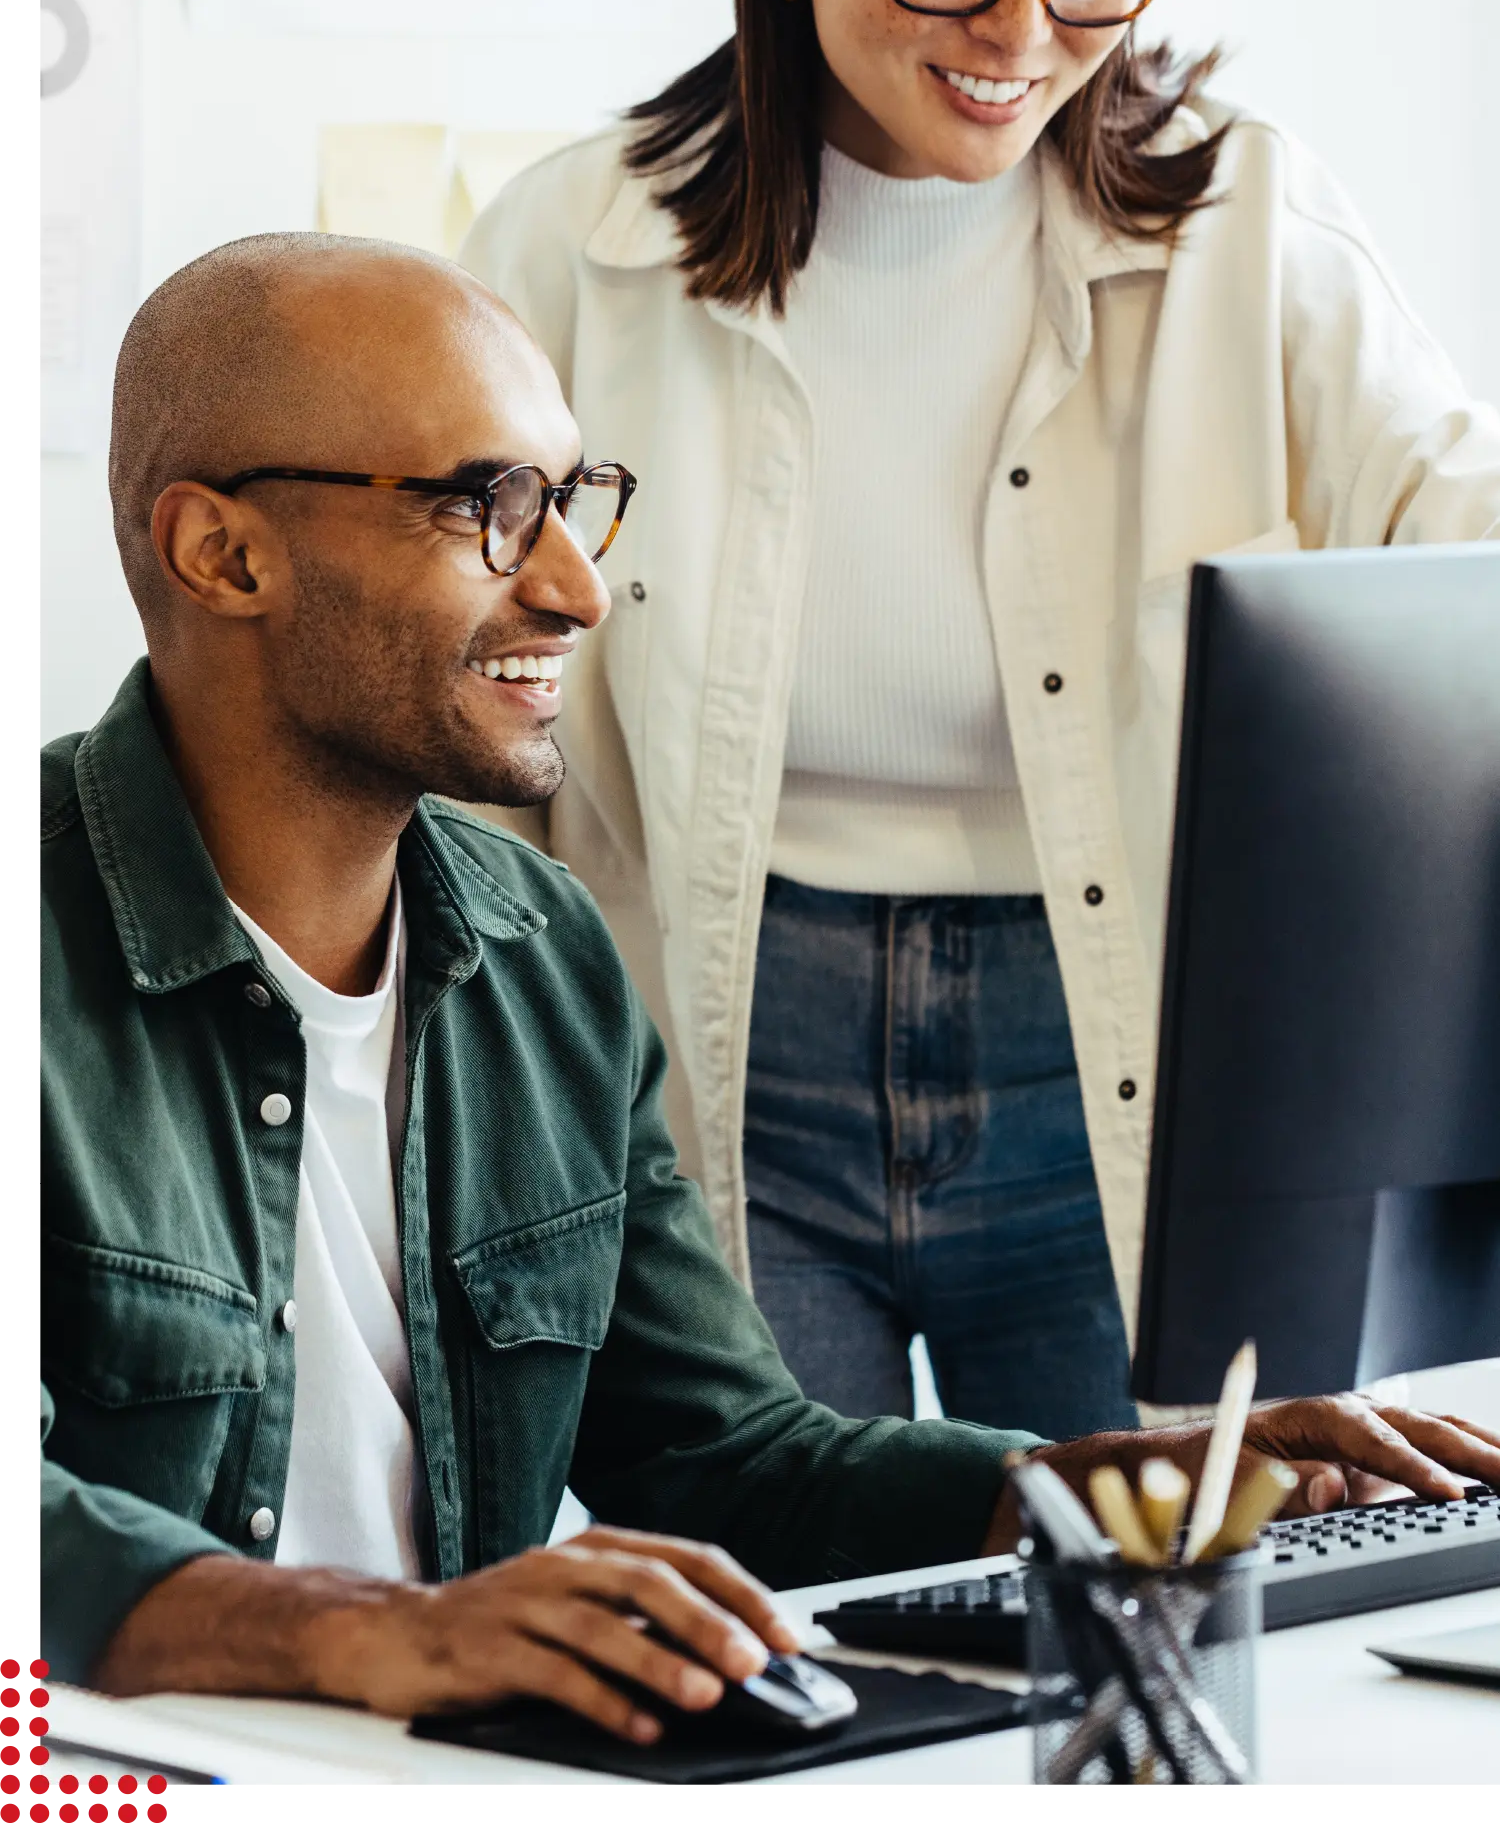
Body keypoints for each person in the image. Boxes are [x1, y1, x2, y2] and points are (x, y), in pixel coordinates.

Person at [39, 234, 1500, 1742]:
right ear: (222, 554)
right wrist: (384, 1636)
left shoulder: (539, 954)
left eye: (574, 500)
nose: (576, 589)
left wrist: (1100, 1490)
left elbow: (732, 1457)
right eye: (488, 507)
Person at [460, 0, 1500, 1437]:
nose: (1023, 28)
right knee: (816, 1622)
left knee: (1151, 1613)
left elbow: (1467, 607)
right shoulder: (575, 251)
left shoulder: (1256, 232)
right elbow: (448, 709)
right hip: (721, 1057)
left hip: (1112, 1056)